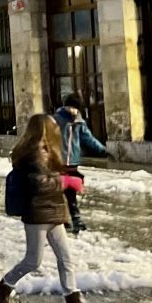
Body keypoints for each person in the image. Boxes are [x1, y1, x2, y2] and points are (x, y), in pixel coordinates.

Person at [0, 113, 102, 303]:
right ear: (45, 130)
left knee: (66, 258)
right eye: (54, 126)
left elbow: (48, 177)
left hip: (53, 211)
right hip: (38, 213)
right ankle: (3, 287)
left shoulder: (46, 150)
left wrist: (67, 177)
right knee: (33, 261)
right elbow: (38, 183)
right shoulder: (34, 153)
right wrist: (66, 182)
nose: (58, 129)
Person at [54, 94, 108, 236]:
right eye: (70, 107)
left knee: (71, 191)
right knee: (59, 191)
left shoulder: (79, 122)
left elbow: (88, 138)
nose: (72, 110)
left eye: (75, 108)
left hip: (72, 162)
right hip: (59, 162)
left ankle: (76, 219)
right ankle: (63, 219)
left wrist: (102, 149)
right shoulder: (57, 120)